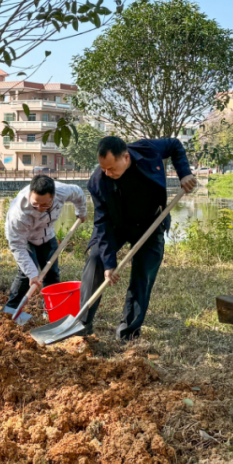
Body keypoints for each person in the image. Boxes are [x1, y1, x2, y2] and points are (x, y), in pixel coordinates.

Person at [79, 136, 197, 341]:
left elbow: (175, 146)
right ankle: (82, 324)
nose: (107, 173)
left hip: (150, 223)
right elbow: (102, 223)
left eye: (111, 168)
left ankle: (128, 332)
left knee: (143, 275)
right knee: (96, 259)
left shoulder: (148, 150)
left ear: (126, 157)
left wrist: (184, 173)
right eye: (103, 168)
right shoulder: (97, 182)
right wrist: (109, 264)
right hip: (116, 226)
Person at [3, 174, 87, 312]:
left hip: (47, 235)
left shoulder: (62, 191)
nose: (39, 208)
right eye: (35, 203)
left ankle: (51, 309)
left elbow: (78, 193)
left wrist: (81, 212)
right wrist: (32, 274)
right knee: (25, 275)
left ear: (53, 196)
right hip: (25, 239)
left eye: (45, 204)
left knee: (52, 274)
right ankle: (11, 310)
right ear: (30, 195)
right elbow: (18, 246)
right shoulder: (18, 214)